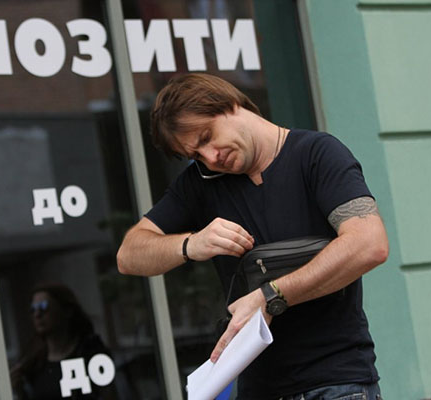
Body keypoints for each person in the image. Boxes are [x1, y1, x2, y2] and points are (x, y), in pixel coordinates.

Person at [116, 73, 388, 399]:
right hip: (258, 388)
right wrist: (190, 244)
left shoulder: (318, 154)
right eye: (196, 155)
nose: (211, 157)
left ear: (230, 105)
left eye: (207, 137)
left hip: (336, 382)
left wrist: (272, 296)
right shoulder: (200, 183)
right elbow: (128, 256)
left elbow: (369, 244)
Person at [10, 283, 115, 400]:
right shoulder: (34, 363)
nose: (37, 314)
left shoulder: (91, 353)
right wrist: (19, 391)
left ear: (67, 311)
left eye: (44, 307)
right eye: (33, 309)